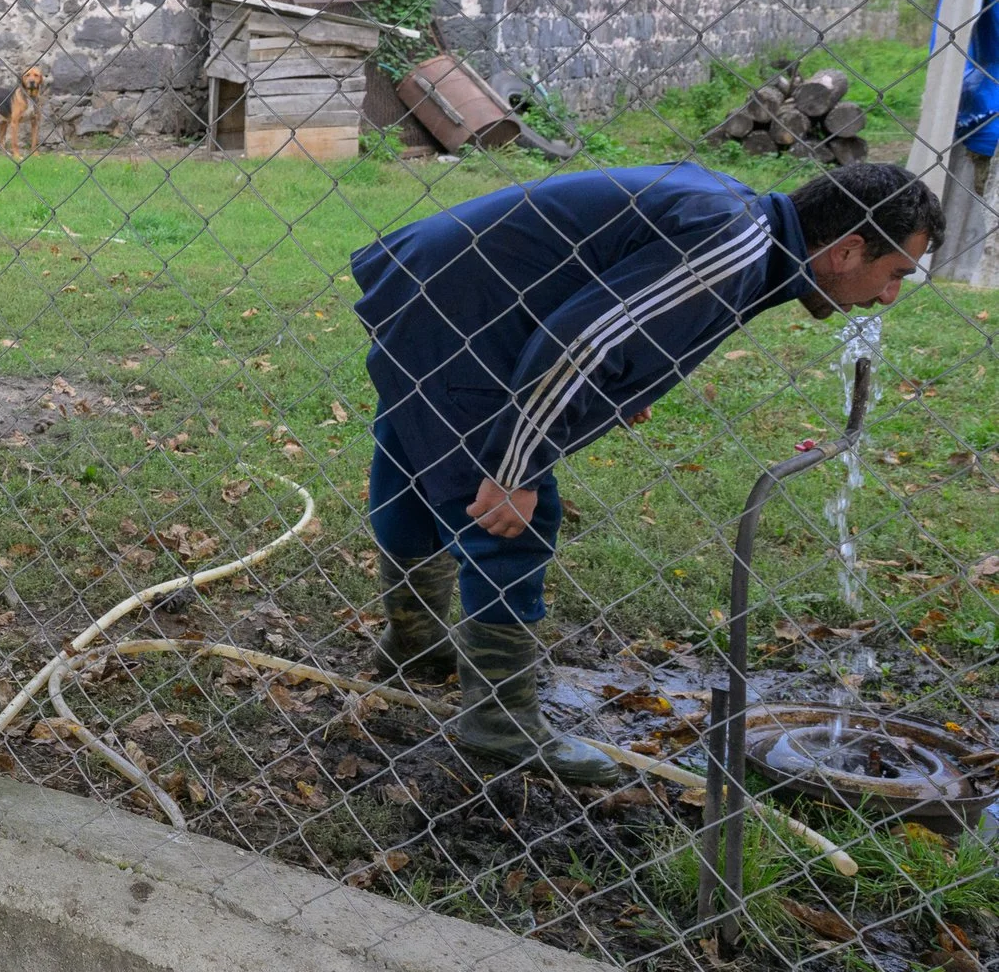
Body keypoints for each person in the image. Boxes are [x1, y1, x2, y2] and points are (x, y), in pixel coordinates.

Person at [349, 160, 942, 785]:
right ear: (848, 251)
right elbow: (585, 343)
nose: (889, 297)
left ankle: (412, 643)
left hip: (436, 283)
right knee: (506, 515)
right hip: (464, 311)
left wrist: (632, 376)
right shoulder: (735, 244)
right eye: (895, 273)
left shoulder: (740, 220)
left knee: (413, 457)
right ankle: (499, 721)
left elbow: (620, 304)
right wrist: (516, 466)